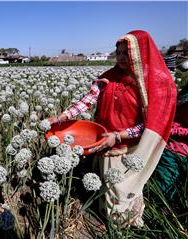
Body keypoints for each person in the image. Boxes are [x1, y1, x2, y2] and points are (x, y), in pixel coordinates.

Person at [48, 30, 177, 227]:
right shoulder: (109, 76)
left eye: (126, 52)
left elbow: (152, 123)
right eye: (118, 52)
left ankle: (125, 224)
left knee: (122, 187)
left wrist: (118, 136)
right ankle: (106, 218)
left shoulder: (152, 82)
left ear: (139, 53)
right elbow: (87, 100)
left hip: (129, 146)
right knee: (106, 185)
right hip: (104, 139)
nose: (121, 57)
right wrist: (61, 118)